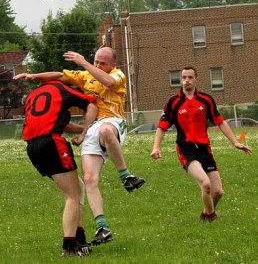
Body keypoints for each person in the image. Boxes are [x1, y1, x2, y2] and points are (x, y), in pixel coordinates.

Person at [14, 47, 145, 245]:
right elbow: (59, 75)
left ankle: (126, 175)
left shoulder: (117, 74)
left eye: (103, 63)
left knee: (106, 132)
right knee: (89, 180)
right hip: (91, 128)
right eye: (96, 61)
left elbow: (107, 82)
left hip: (113, 122)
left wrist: (84, 62)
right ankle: (103, 227)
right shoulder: (85, 76)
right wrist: (33, 76)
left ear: (112, 65)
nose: (98, 65)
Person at [151, 66, 252, 221]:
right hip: (186, 149)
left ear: (196, 79)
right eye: (184, 77)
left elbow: (220, 122)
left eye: (190, 77)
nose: (186, 81)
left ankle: (205, 214)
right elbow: (162, 126)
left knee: (218, 192)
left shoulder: (206, 100)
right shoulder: (173, 102)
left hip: (205, 148)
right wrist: (156, 147)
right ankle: (212, 217)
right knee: (205, 184)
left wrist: (235, 142)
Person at [14, 79, 98, 256]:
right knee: (72, 197)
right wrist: (87, 131)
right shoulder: (60, 87)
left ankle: (81, 241)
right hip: (52, 142)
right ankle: (69, 247)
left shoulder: (32, 96)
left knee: (78, 188)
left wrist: (85, 130)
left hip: (32, 147)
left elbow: (62, 123)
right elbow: (91, 103)